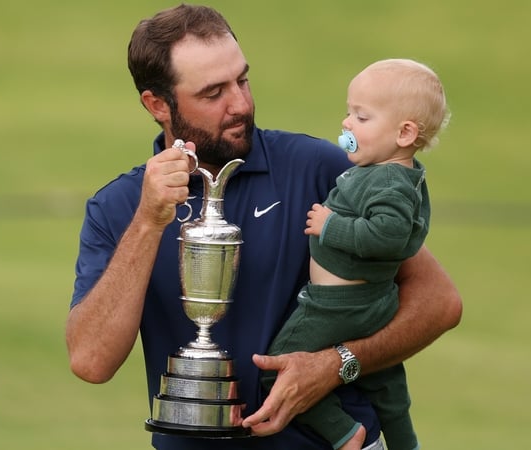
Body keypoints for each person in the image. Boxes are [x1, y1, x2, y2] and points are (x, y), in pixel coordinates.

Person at [65, 5, 462, 450]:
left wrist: (338, 363)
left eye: (242, 80)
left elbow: (439, 302)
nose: (240, 104)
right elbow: (91, 360)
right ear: (158, 104)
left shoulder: (320, 169)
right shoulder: (119, 208)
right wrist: (147, 222)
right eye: (214, 92)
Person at [261, 59, 450, 450]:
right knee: (387, 385)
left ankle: (344, 433)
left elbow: (388, 236)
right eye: (349, 113)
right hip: (371, 302)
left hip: (338, 306)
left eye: (361, 117)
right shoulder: (380, 170)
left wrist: (331, 226)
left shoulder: (391, 182)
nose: (347, 124)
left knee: (279, 368)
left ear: (405, 132)